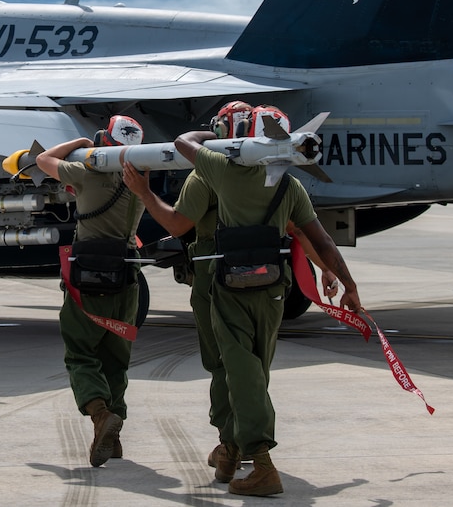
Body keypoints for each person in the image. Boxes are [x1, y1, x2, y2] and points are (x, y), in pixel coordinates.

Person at [122, 101, 340, 484]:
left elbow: (177, 223)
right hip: (271, 280)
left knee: (227, 364)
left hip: (215, 276)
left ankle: (240, 446)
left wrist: (143, 193)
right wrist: (332, 274)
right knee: (252, 365)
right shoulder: (282, 182)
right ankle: (232, 448)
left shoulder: (211, 174)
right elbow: (306, 231)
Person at [173, 104, 362, 496]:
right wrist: (349, 285)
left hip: (231, 286)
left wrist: (219, 140)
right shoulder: (290, 188)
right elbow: (322, 240)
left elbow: (182, 143)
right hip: (275, 290)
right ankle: (230, 449)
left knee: (239, 369)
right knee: (255, 369)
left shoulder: (224, 172)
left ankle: (260, 463)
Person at [36, 115, 147, 467]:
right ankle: (113, 439)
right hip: (127, 276)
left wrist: (79, 145)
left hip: (89, 278)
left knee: (81, 354)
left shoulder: (86, 173)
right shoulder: (141, 180)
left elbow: (42, 160)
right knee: (116, 358)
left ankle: (100, 415)